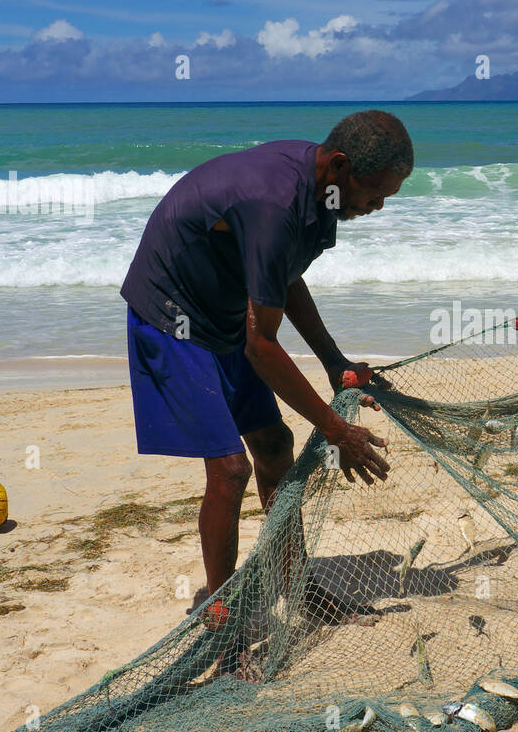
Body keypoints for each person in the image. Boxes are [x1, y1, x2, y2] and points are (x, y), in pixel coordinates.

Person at [119, 110, 411, 618]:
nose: (377, 205)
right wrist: (338, 429)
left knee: (275, 445)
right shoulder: (274, 200)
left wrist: (333, 361)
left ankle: (299, 587)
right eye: (373, 192)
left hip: (225, 309)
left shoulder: (322, 192)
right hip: (172, 316)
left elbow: (283, 277)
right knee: (230, 470)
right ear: (339, 164)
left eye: (388, 196)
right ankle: (219, 607)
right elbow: (262, 347)